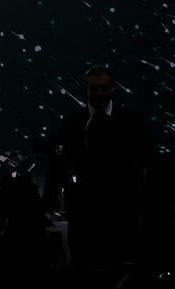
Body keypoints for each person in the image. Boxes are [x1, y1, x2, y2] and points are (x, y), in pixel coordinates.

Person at [41, 64, 151, 268]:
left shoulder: (133, 121)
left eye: (103, 88)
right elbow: (57, 165)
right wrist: (48, 203)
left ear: (112, 89)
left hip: (122, 211)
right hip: (84, 211)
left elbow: (146, 161)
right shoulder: (72, 123)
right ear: (86, 89)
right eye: (94, 88)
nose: (99, 93)